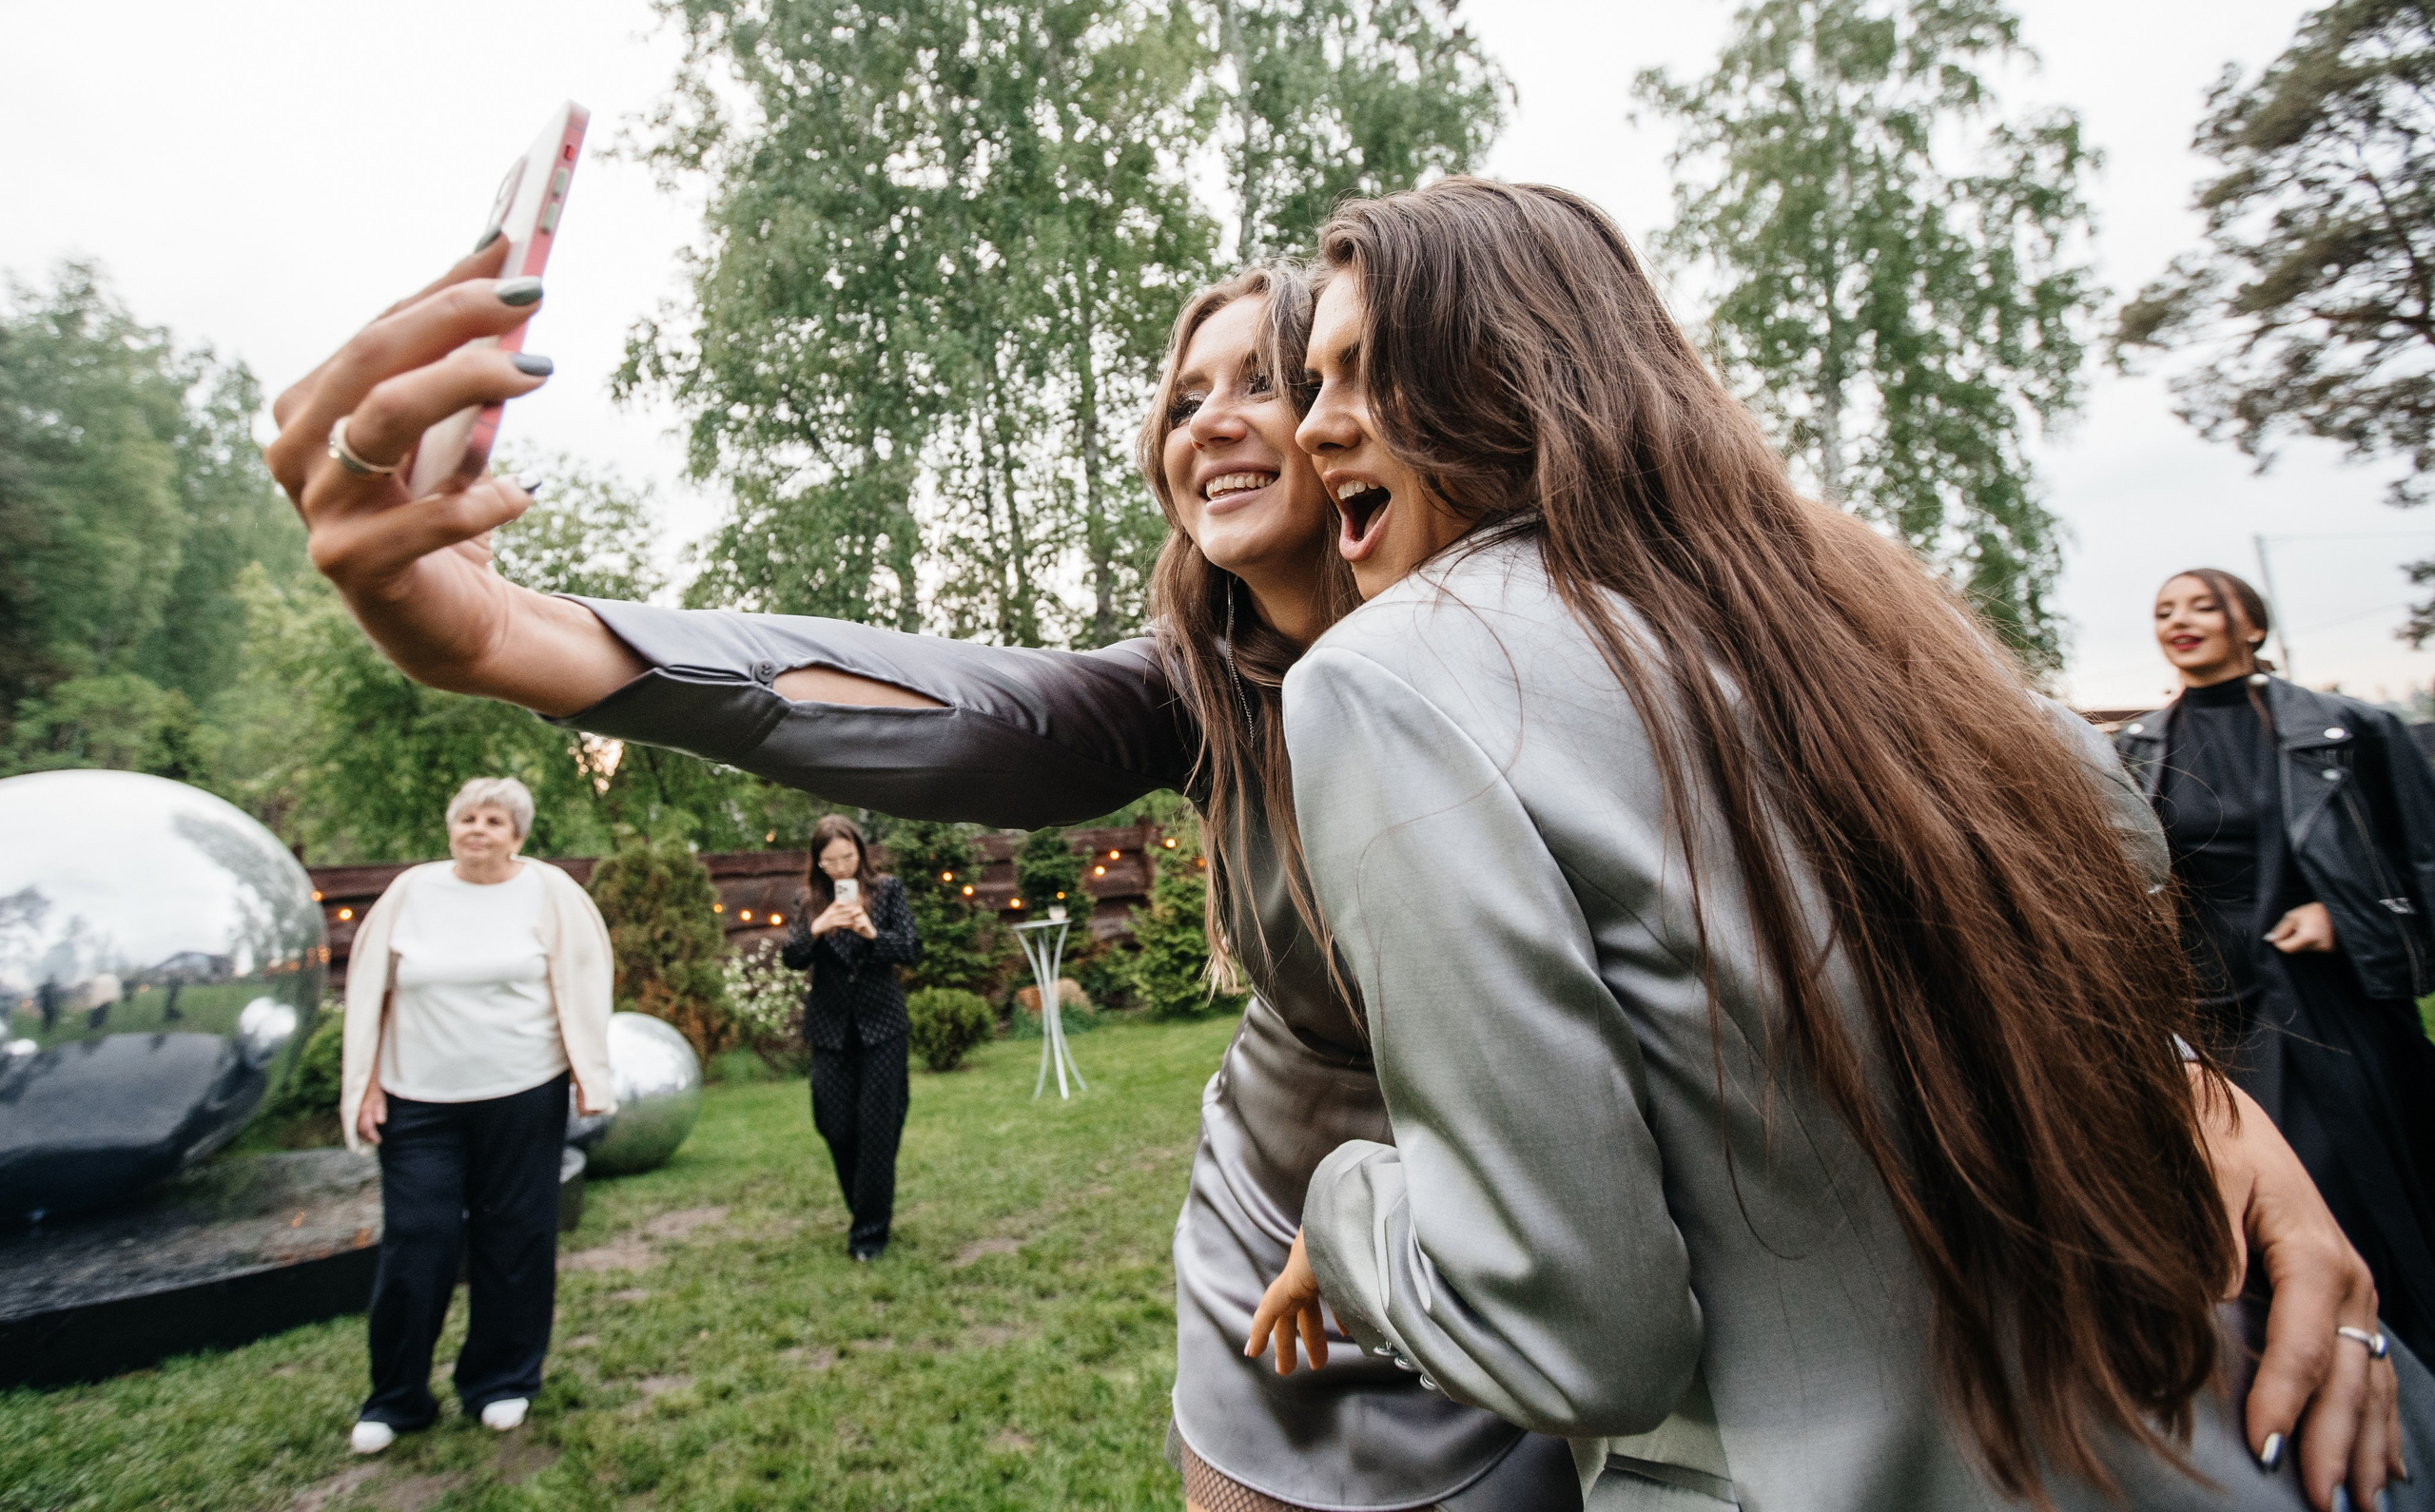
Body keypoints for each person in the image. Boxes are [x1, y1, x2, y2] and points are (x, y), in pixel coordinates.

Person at [265, 238, 2387, 1511]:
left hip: (1598, 1284)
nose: (1212, 417)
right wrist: (516, 637)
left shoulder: (1600, 653)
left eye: (1272, 375)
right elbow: (909, 697)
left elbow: (1884, 888)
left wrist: (2209, 1123)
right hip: (1302, 1266)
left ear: (1396, 406)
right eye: (1174, 393)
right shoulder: (1187, 692)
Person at [1245, 179, 2418, 1512]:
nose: (1316, 419)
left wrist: (1347, 1208)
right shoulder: (1850, 602)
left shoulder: (1387, 678)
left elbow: (1580, 1334)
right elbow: (2113, 881)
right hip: (2226, 1446)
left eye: (1361, 372)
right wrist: (2210, 1102)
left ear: (1503, 371)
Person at [2116, 569, 2435, 1367]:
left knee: (2355, 1186)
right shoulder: (2137, 748)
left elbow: (2422, 861)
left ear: (2251, 627)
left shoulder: (2349, 730)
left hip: (2324, 998)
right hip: (2206, 1007)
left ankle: (2400, 1351)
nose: (2180, 620)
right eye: (2164, 610)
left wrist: (2343, 915)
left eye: (2201, 605)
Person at [337, 776, 614, 1455]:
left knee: (516, 1236)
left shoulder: (550, 892)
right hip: (418, 1102)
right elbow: (372, 990)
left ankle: (501, 1380)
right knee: (417, 1239)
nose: (478, 829)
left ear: (517, 834)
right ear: (450, 827)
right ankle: (396, 1398)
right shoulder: (411, 892)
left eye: (494, 819)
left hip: (523, 1093)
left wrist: (587, 1073)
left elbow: (583, 981)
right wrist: (368, 1084)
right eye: (467, 816)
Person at [782, 814, 917, 1262]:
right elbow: (792, 957)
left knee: (878, 1130)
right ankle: (865, 1206)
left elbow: (912, 949)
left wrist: (870, 932)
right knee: (835, 1125)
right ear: (818, 862)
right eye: (831, 860)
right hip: (831, 1030)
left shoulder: (888, 890)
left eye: (848, 856)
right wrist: (820, 927)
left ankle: (869, 1235)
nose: (841, 867)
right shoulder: (807, 901)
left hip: (882, 1027)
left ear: (860, 852)